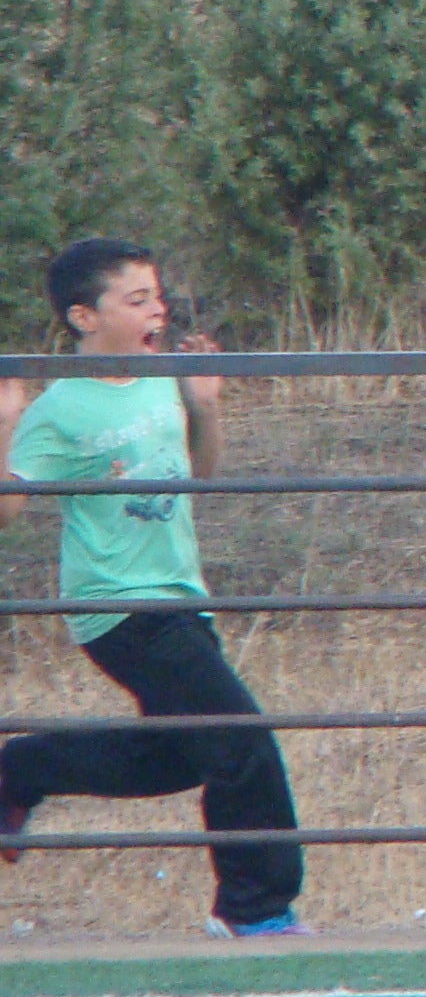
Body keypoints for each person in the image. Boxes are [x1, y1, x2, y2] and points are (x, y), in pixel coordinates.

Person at [0, 240, 305, 937]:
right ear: (84, 316)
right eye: (137, 299)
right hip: (118, 607)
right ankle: (255, 909)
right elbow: (7, 511)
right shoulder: (60, 409)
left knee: (184, 753)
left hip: (182, 598)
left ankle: (20, 768)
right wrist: (5, 424)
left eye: (157, 297)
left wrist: (204, 407)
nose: (157, 310)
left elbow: (198, 474)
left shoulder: (162, 381)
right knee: (239, 740)